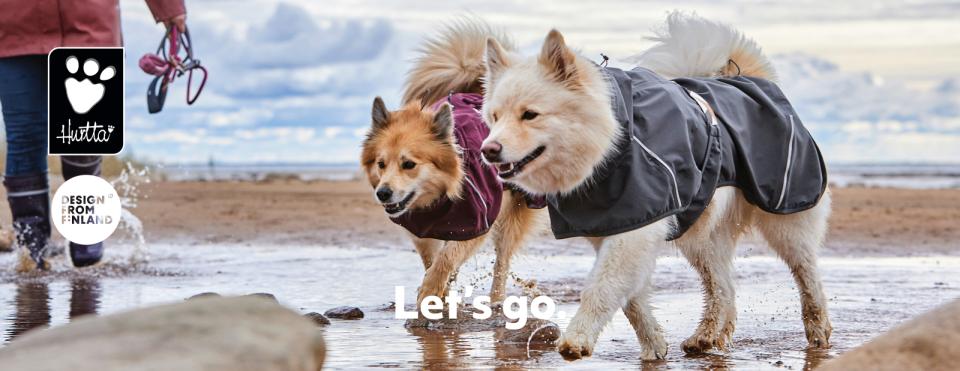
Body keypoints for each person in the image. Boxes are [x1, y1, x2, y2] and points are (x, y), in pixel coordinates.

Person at [0, 0, 186, 270]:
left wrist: (168, 7)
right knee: (24, 137)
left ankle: (86, 234)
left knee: (85, 138)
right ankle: (31, 249)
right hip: (13, 25)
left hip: (90, 24)